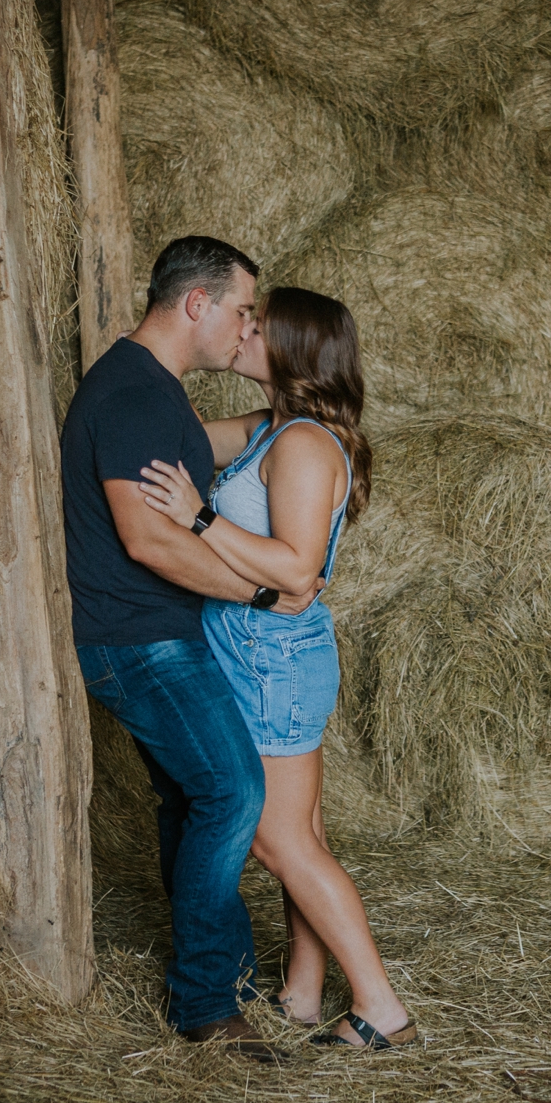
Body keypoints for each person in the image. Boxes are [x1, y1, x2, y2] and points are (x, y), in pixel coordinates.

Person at [135, 286, 417, 1051]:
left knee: (277, 839)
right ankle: (301, 990)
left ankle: (380, 1005)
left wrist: (199, 516)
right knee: (304, 830)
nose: (245, 329)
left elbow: (294, 568)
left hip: (273, 660)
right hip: (271, 654)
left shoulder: (301, 445)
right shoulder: (276, 426)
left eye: (259, 325)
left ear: (294, 348)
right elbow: (185, 430)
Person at [60, 236, 321, 1063]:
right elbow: (148, 539)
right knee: (233, 790)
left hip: (161, 634)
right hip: (138, 641)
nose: (248, 327)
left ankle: (220, 973)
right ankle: (207, 1001)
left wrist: (301, 401)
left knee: (189, 799)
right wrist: (260, 593)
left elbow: (238, 437)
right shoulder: (133, 395)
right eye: (243, 309)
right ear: (197, 305)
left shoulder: (154, 391)